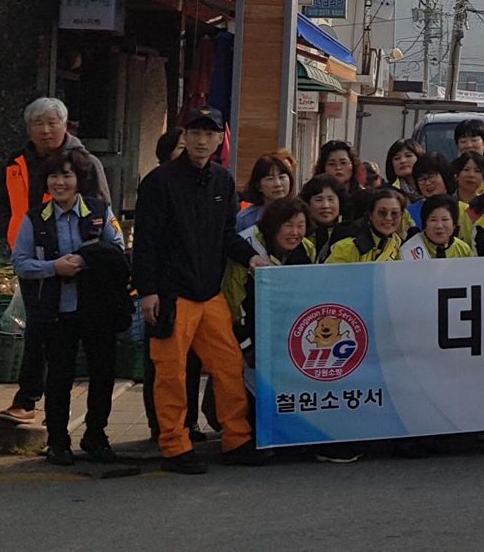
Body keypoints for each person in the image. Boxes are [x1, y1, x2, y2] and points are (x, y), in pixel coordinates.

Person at [132, 108, 267, 474]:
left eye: (210, 134)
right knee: (171, 374)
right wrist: (148, 291)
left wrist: (252, 258)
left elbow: (227, 235)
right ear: (185, 137)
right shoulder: (159, 181)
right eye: (195, 133)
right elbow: (145, 242)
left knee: (230, 367)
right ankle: (174, 446)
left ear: (220, 139)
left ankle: (236, 439)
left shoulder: (223, 181)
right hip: (172, 295)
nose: (202, 140)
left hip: (210, 294)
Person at [0, 96, 113, 426]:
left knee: (73, 340)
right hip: (34, 260)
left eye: (52, 123)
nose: (45, 130)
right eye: (38, 124)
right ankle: (28, 399)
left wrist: (85, 256)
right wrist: (12, 234)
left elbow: (101, 208)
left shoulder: (85, 162)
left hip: (80, 263)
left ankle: (62, 413)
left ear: (66, 125)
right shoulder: (16, 161)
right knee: (38, 328)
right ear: (28, 128)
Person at [13, 149, 128, 465]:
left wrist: (85, 259)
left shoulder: (99, 211)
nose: (59, 182)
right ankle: (58, 441)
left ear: (79, 180)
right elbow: (20, 263)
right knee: (58, 378)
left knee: (102, 375)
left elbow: (118, 249)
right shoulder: (35, 219)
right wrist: (54, 267)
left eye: (67, 175)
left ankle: (96, 436)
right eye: (54, 176)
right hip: (56, 313)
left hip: (98, 310)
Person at [224, 196, 315, 345]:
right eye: (288, 225)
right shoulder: (247, 246)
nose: (295, 232)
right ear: (273, 226)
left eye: (301, 225)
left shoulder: (307, 248)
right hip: (250, 325)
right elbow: (233, 299)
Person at [327, 188, 414, 263]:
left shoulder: (397, 242)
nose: (388, 218)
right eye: (382, 213)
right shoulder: (347, 247)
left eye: (394, 213)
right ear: (370, 215)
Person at [400, 195, 476, 259]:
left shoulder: (463, 249)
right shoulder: (409, 250)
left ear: (454, 224)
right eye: (433, 220)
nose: (439, 226)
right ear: (425, 223)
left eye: (445, 219)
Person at [236, 153, 296, 232]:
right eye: (270, 178)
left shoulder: (300, 214)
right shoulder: (245, 219)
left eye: (282, 177)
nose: (278, 184)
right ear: (258, 186)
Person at [299, 175, 350, 264]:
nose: (325, 206)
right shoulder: (300, 235)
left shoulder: (350, 234)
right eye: (319, 200)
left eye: (331, 199)